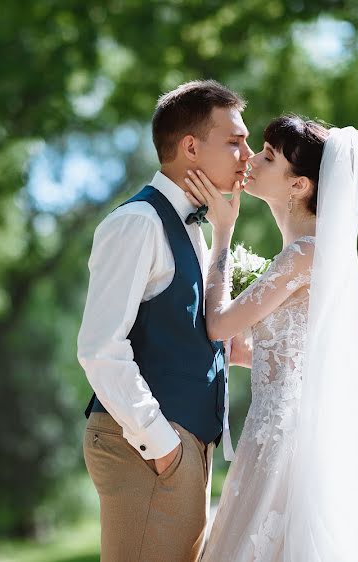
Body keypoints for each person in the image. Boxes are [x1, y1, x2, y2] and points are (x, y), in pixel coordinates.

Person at [186, 115, 358, 561]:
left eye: (267, 157)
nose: (251, 160)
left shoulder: (307, 252)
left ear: (299, 186)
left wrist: (223, 231)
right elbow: (275, 354)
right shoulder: (303, 252)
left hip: (289, 446)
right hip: (272, 433)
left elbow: (218, 325)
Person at [77, 79, 254, 562]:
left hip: (181, 446)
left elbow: (197, 335)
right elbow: (99, 347)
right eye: (235, 142)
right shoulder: (138, 223)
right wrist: (163, 446)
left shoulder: (192, 226)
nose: (249, 155)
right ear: (191, 146)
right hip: (148, 446)